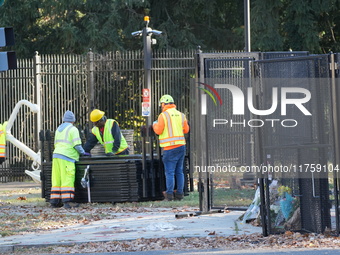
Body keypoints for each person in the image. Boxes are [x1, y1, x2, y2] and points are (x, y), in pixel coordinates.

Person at [152, 95, 189, 201]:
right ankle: (180, 194)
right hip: (181, 146)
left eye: (161, 105)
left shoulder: (163, 115)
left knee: (169, 172)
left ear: (163, 104)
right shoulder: (181, 115)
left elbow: (158, 131)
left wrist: (155, 124)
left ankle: (169, 195)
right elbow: (186, 130)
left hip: (169, 148)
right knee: (179, 171)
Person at [50, 110, 89, 208]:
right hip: (67, 157)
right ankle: (68, 202)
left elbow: (55, 144)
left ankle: (54, 202)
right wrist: (83, 153)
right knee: (67, 179)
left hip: (56, 156)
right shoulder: (73, 129)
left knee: (56, 180)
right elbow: (77, 145)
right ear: (73, 120)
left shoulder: (59, 129)